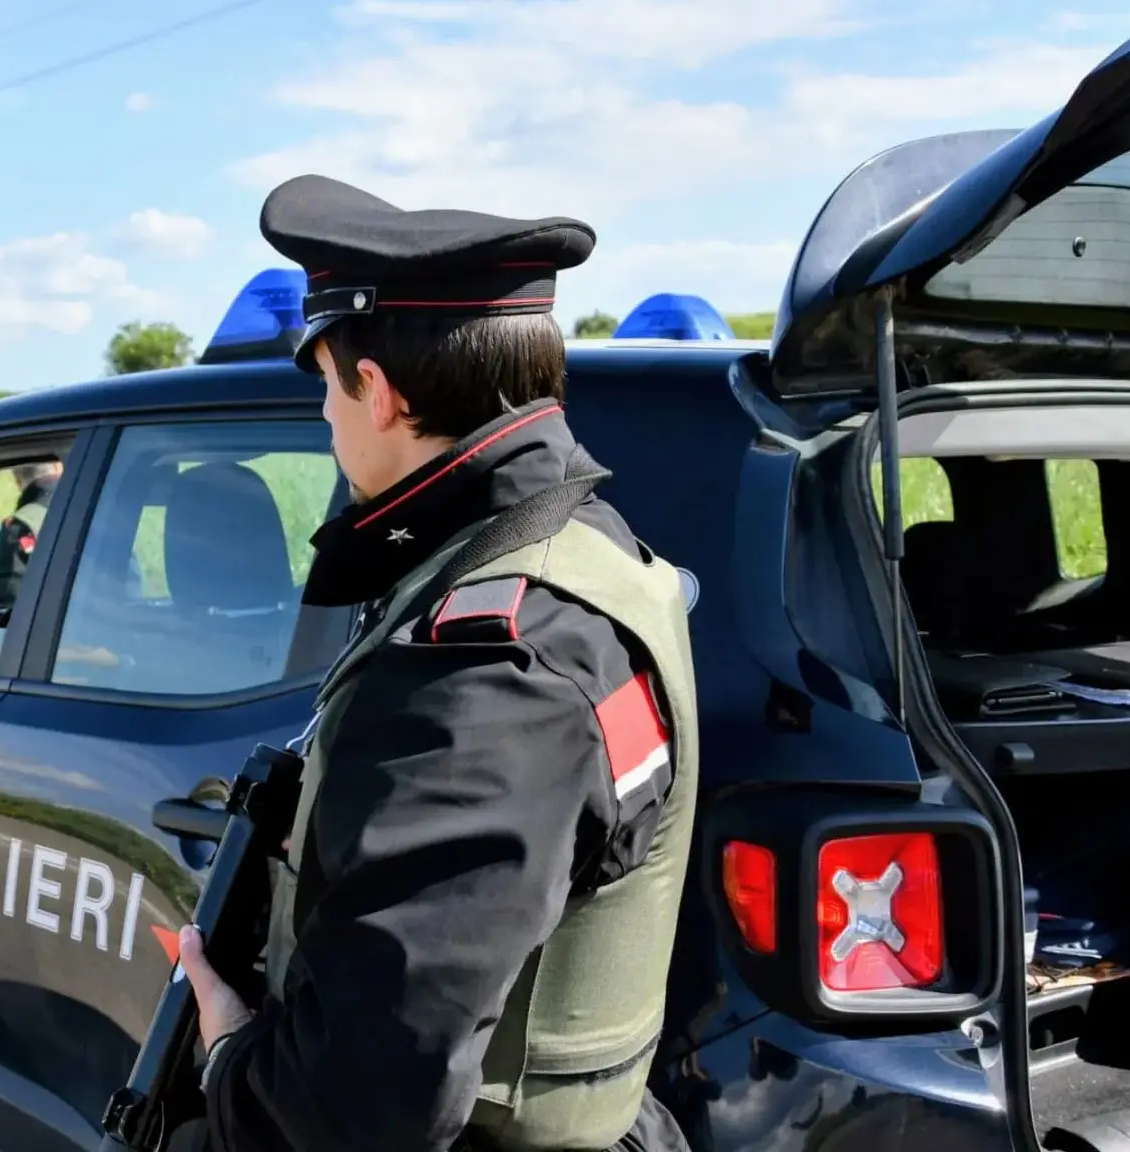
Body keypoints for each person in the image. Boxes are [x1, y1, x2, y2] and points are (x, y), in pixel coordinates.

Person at [170, 174, 700, 1152]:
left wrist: (226, 1058)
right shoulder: (587, 551)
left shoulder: (479, 675)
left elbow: (356, 1106)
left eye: (327, 383)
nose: (326, 420)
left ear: (377, 391)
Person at [0, 460, 61, 601]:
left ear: (17, 480)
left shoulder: (20, 527)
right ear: (57, 467)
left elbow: (13, 599)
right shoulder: (98, 505)